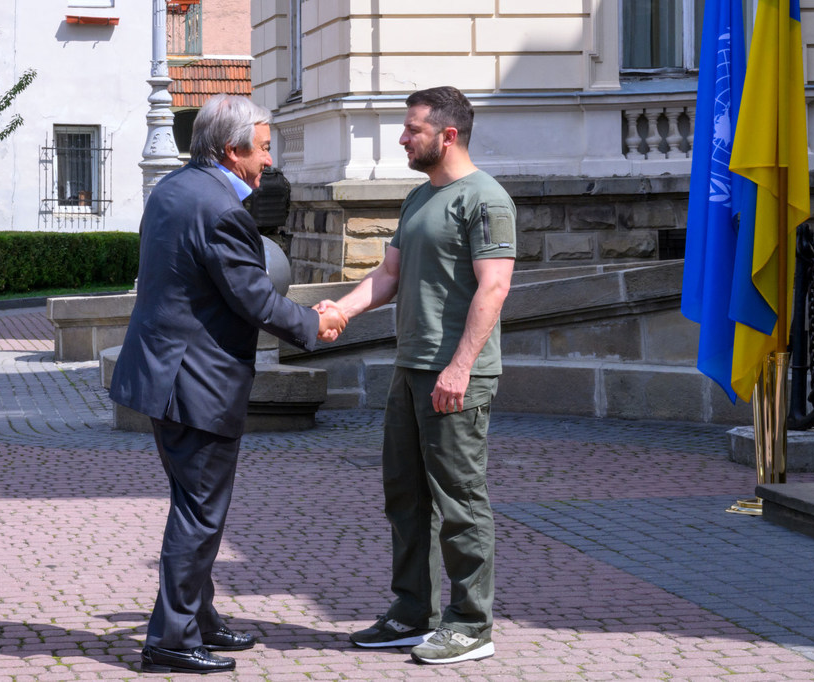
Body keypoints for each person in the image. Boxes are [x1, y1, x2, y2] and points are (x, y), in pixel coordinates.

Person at [109, 94, 346, 675]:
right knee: (199, 513)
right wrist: (316, 323)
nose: (267, 162)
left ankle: (199, 619)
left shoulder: (171, 191)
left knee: (194, 506)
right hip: (196, 384)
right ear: (232, 149)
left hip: (166, 376)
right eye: (263, 149)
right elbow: (254, 297)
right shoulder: (220, 209)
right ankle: (169, 638)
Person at [320, 86, 516, 665]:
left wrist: (460, 366)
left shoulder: (485, 199)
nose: (403, 139)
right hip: (411, 370)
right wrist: (339, 311)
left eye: (412, 130)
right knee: (404, 497)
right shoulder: (417, 199)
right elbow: (388, 276)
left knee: (460, 501)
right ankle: (412, 614)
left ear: (447, 135)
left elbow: (495, 287)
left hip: (456, 375)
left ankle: (471, 623)